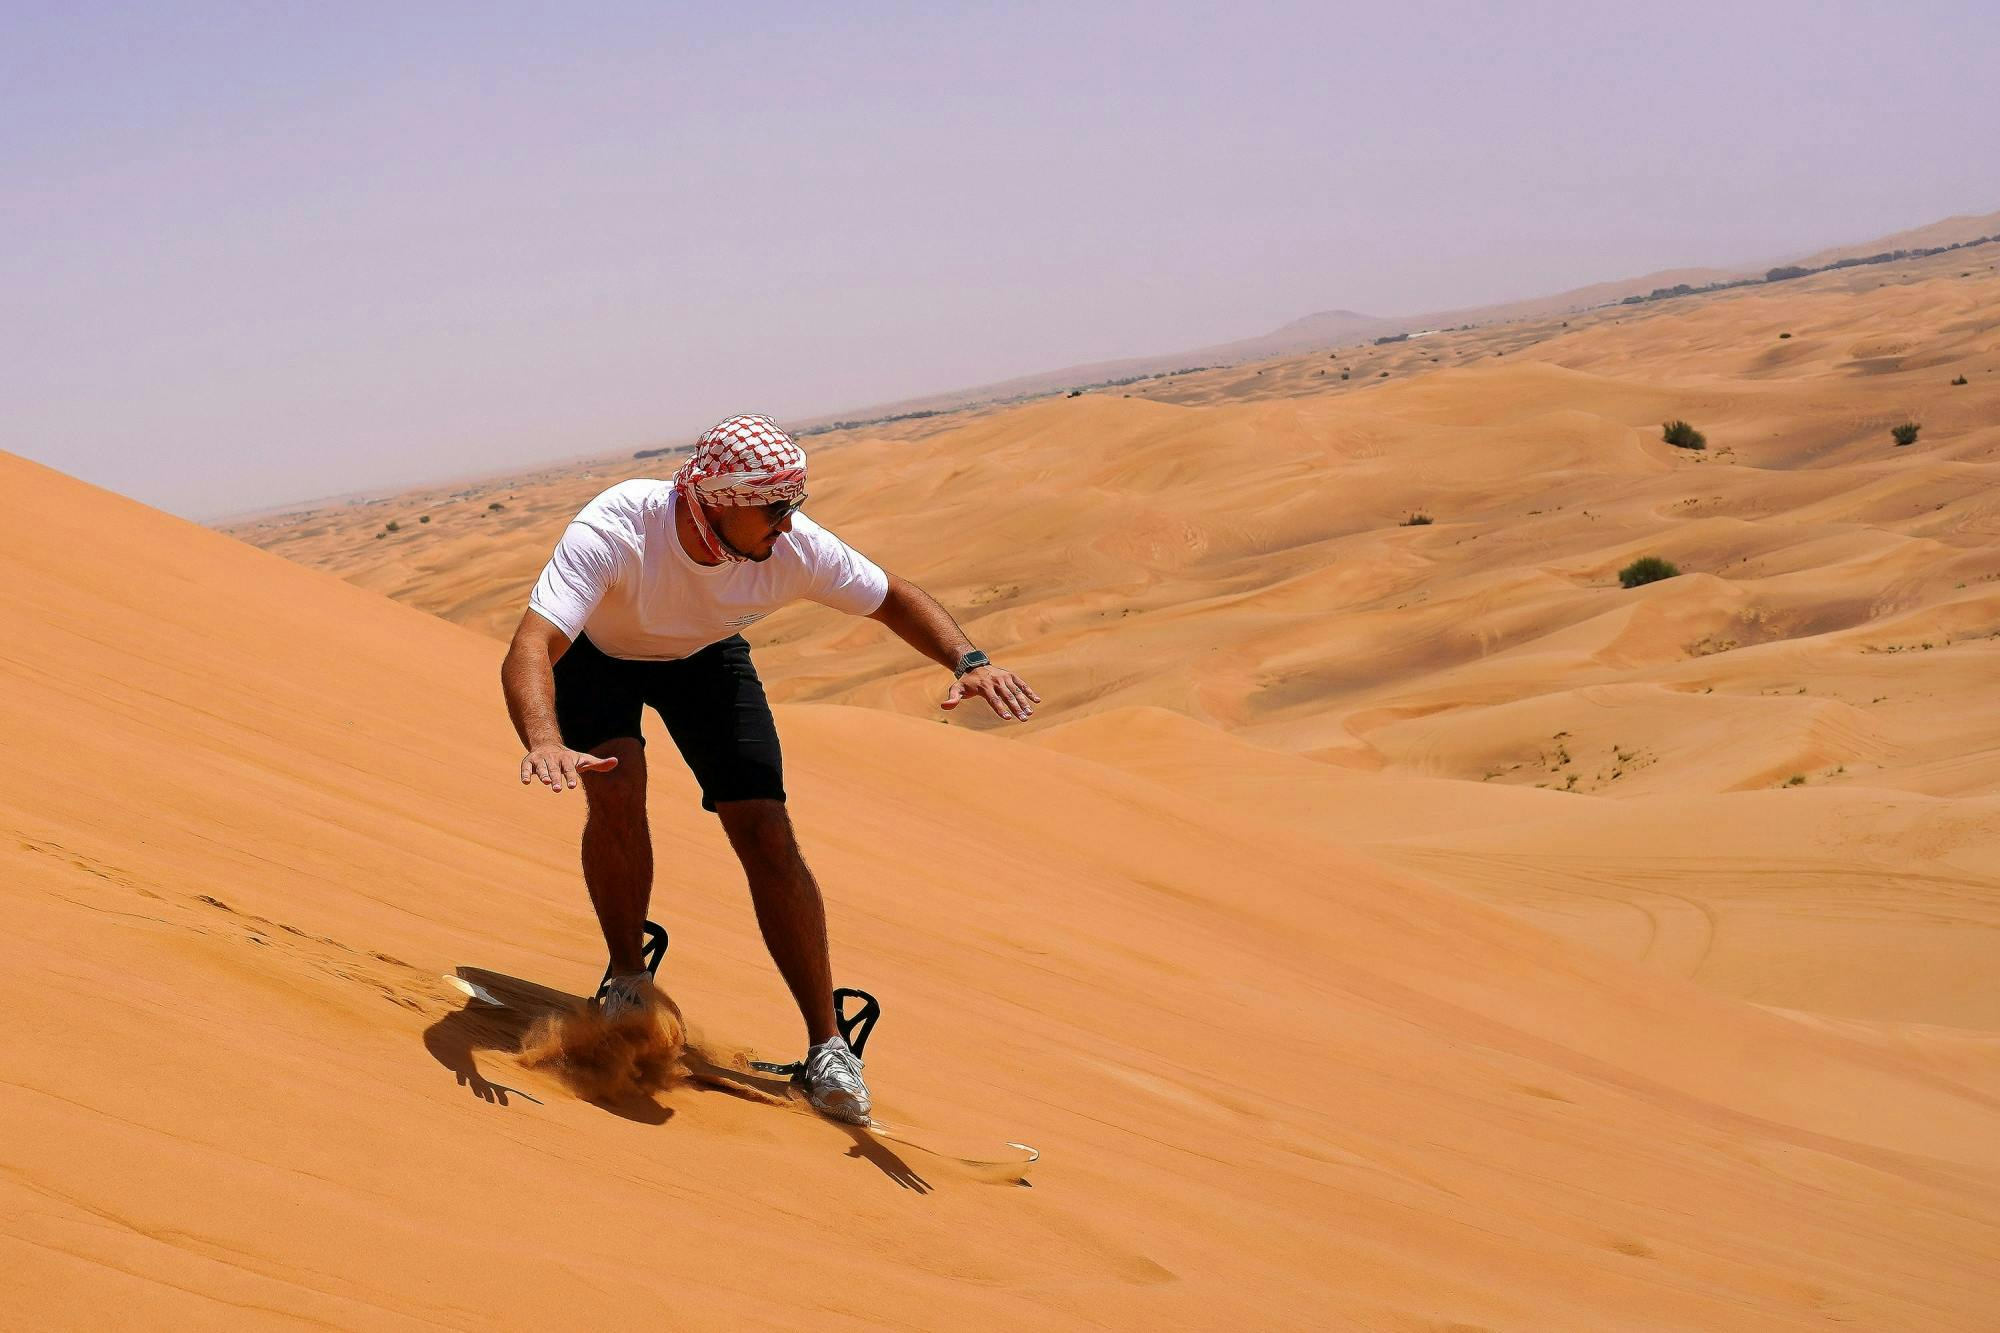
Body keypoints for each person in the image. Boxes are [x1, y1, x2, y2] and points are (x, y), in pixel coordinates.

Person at [500, 414, 1041, 1123]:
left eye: (796, 507)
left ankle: (829, 1047)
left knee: (764, 828)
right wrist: (543, 739)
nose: (788, 525)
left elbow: (893, 597)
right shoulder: (617, 528)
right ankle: (628, 978)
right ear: (719, 500)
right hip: (601, 657)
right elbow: (534, 644)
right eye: (775, 508)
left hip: (706, 662)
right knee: (616, 787)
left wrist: (969, 660)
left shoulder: (792, 549)